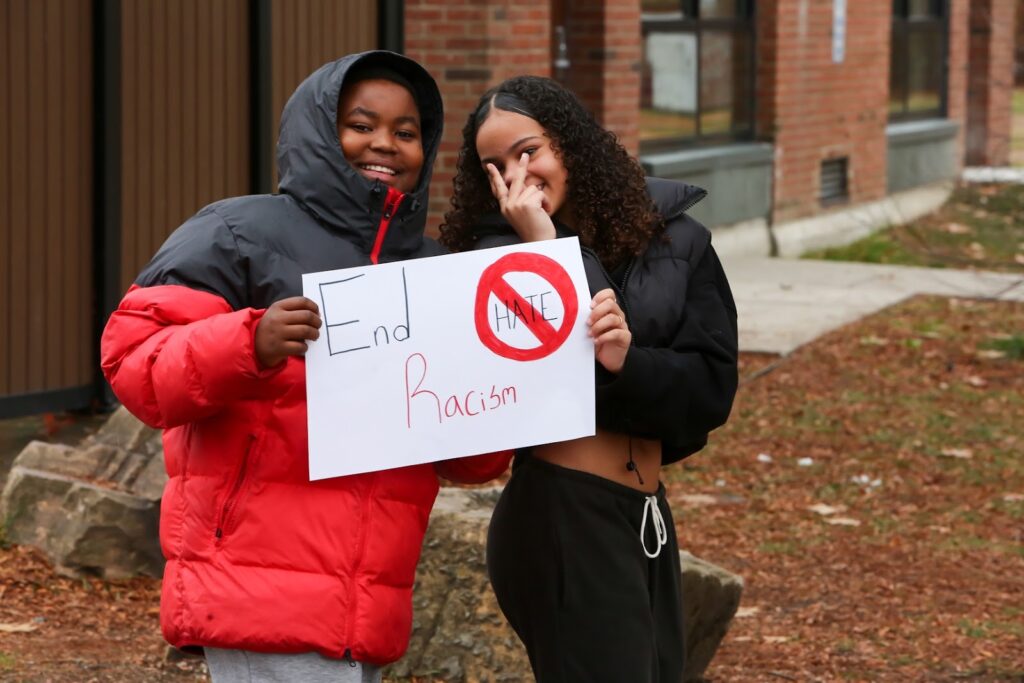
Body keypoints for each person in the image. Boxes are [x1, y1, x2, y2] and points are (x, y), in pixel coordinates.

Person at [100, 51, 510, 683]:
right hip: (252, 585)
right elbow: (134, 363)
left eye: (406, 132)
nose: (385, 143)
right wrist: (249, 344)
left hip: (367, 605)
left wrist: (500, 399)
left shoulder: (432, 271)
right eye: (362, 124)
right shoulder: (236, 232)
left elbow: (467, 461)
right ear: (319, 133)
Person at [439, 75, 739, 682]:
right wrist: (544, 248)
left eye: (529, 151)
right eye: (495, 166)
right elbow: (539, 377)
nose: (518, 175)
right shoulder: (494, 259)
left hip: (647, 512)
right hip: (559, 514)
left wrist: (629, 363)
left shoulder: (676, 235)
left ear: (571, 143)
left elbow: (710, 387)